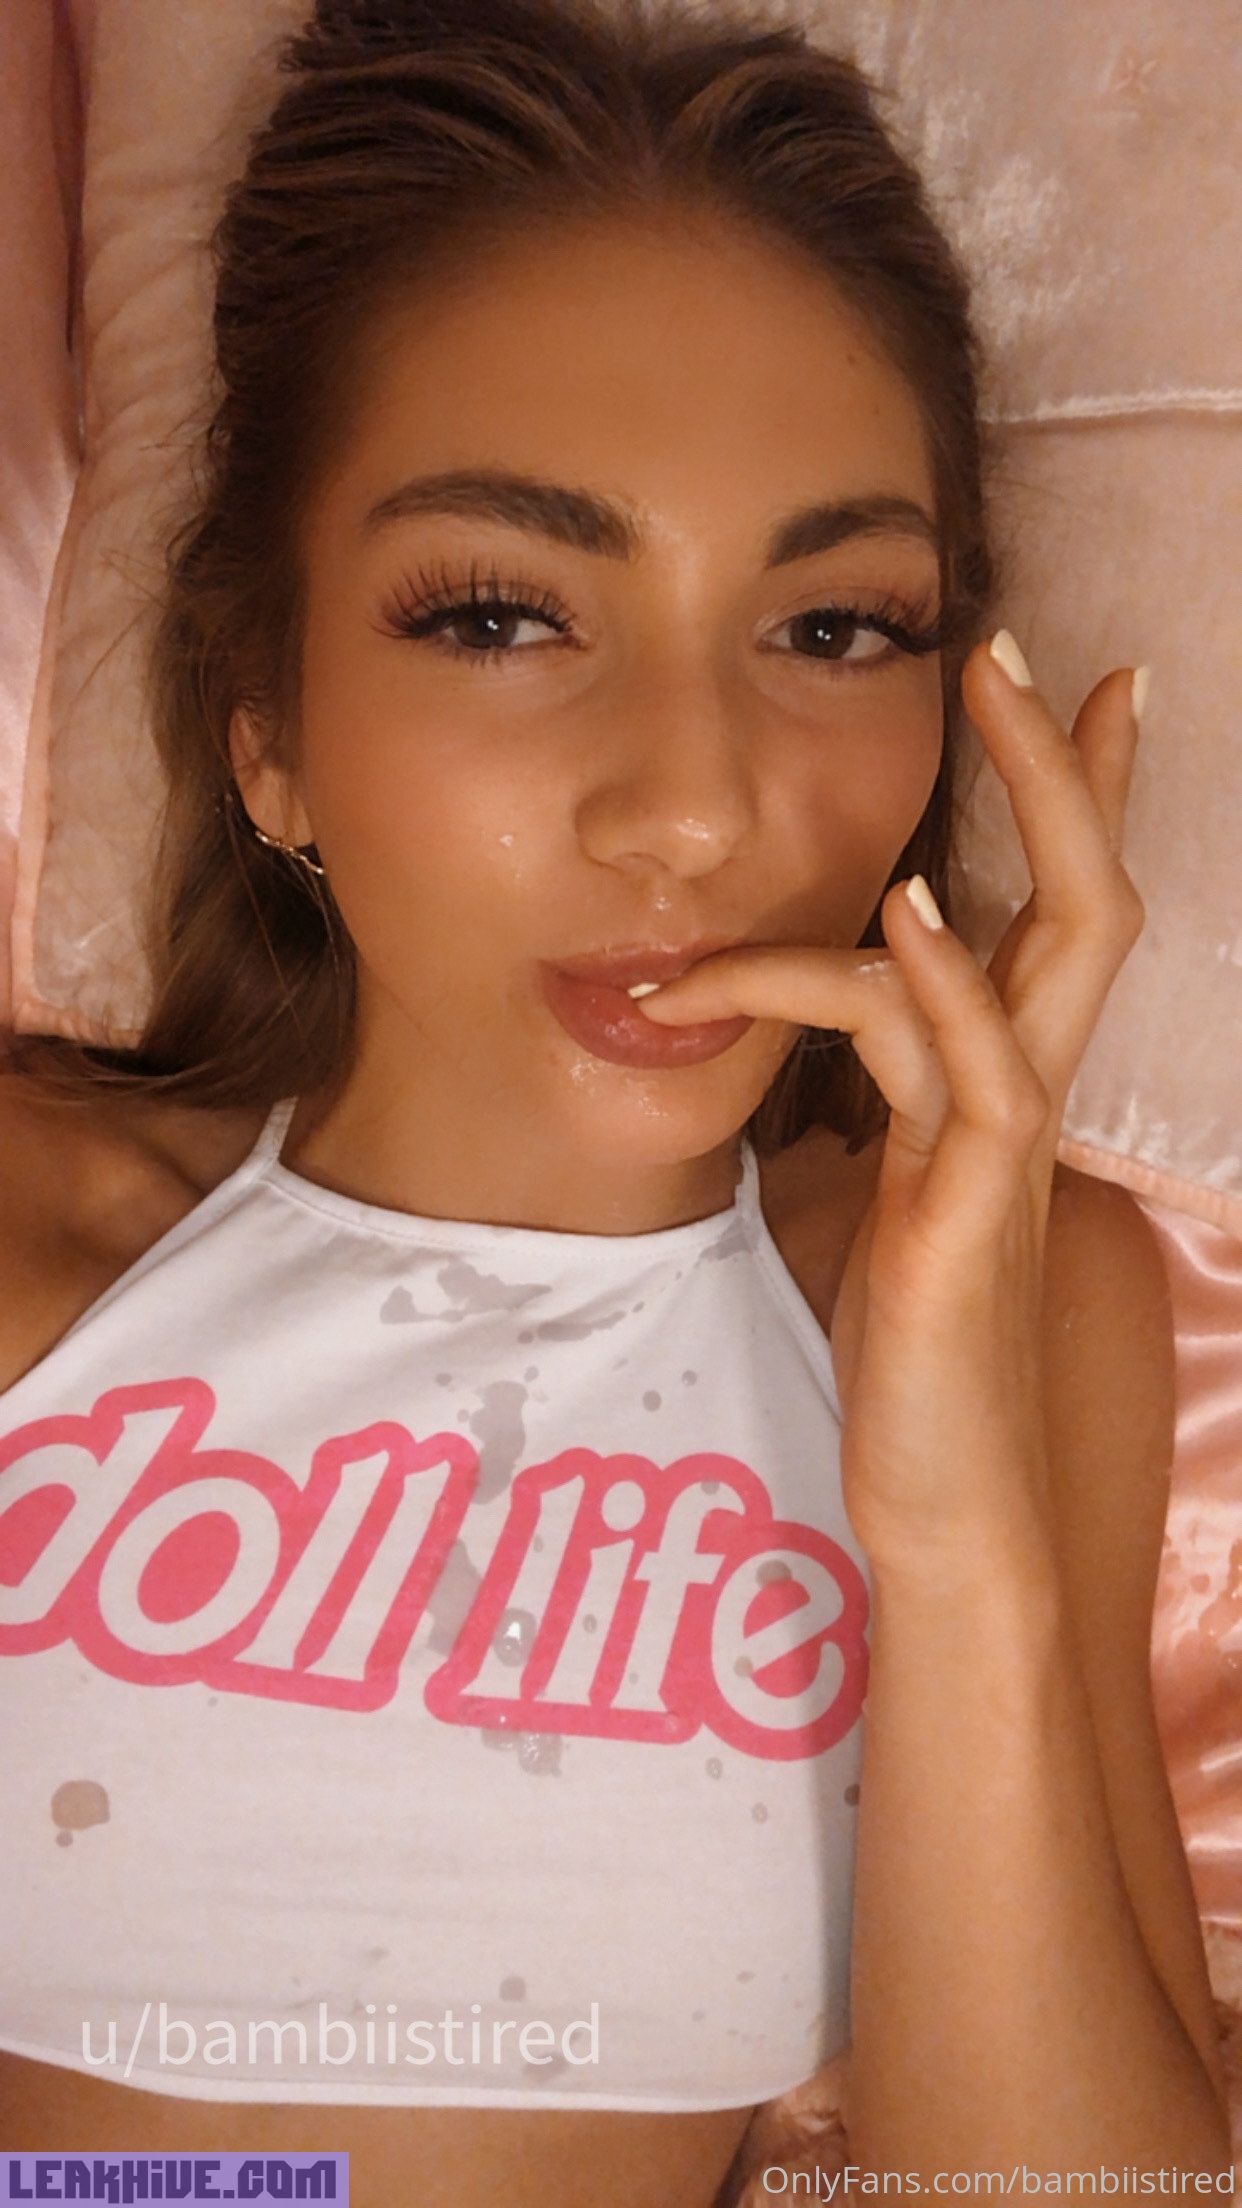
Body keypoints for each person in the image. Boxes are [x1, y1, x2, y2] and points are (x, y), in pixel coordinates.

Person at [0, 1, 1230, 2202]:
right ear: (267, 726)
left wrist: (950, 1524)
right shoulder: (36, 1245)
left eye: (834, 630)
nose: (692, 807)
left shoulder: (1017, 1305)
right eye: (499, 617)